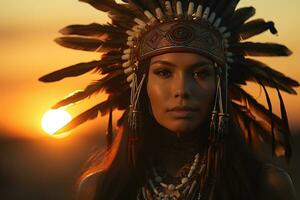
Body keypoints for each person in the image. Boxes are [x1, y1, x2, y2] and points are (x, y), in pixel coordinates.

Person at [39, 0, 298, 199]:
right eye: (164, 72)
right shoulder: (99, 189)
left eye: (201, 73)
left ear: (220, 85)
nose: (182, 89)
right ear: (139, 84)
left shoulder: (267, 186)